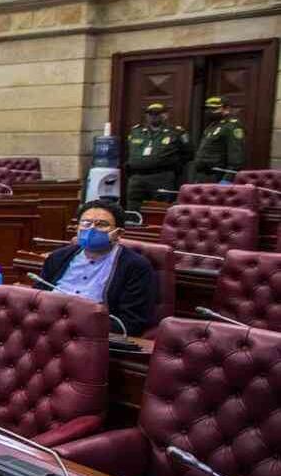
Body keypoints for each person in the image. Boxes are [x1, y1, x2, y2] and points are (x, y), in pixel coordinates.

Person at [41, 198, 157, 336]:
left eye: (101, 224)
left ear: (118, 233)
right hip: (46, 329)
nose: (91, 229)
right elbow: (36, 299)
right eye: (86, 223)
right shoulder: (58, 257)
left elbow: (131, 322)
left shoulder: (135, 266)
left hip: (92, 337)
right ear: (77, 228)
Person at [125, 102, 190, 207]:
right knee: (133, 209)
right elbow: (129, 151)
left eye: (157, 114)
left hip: (161, 177)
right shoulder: (136, 131)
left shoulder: (175, 132)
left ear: (165, 115)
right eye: (150, 114)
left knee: (159, 209)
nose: (153, 117)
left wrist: (171, 165)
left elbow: (188, 154)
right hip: (137, 178)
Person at [189, 96, 245, 183]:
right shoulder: (212, 126)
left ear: (227, 109)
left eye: (214, 109)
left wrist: (227, 180)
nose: (209, 112)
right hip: (202, 175)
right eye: (208, 109)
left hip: (217, 176)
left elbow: (236, 158)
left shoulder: (231, 126)